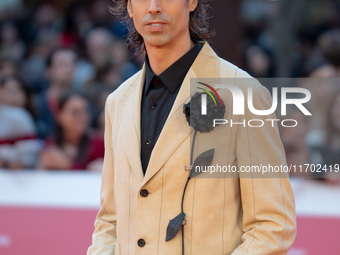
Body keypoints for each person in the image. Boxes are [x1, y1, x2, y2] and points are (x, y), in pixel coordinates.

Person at [87, 0, 296, 254]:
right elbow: (110, 221)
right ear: (129, 7)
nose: (153, 6)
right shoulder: (118, 102)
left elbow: (273, 225)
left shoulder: (243, 93)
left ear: (192, 1)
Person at [36, 92, 104, 171]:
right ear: (59, 115)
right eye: (75, 112)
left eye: (85, 111)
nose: (83, 117)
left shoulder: (99, 144)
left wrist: (67, 165)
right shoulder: (50, 144)